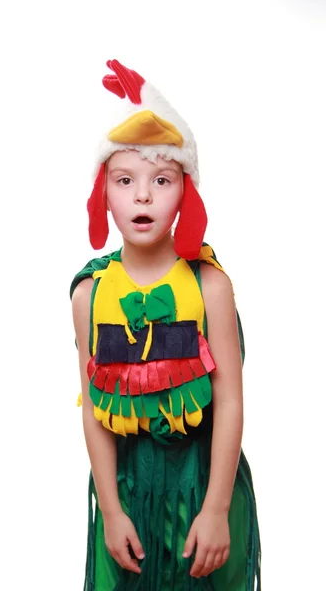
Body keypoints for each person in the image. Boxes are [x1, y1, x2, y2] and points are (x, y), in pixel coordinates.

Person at [70, 59, 261, 591]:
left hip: (201, 483)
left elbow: (230, 401)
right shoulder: (89, 295)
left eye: (162, 179)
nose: (144, 196)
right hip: (126, 488)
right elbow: (92, 406)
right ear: (102, 194)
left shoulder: (210, 288)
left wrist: (217, 507)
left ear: (186, 193)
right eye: (125, 180)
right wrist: (109, 510)